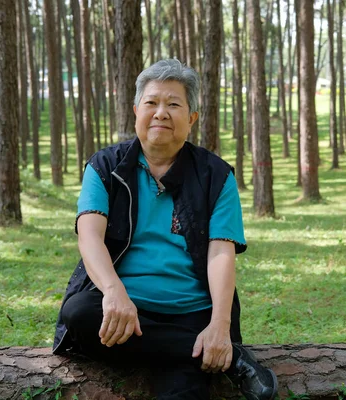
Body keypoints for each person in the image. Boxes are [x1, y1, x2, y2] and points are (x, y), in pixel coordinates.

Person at [52, 58, 278, 400]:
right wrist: (113, 292)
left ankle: (196, 347)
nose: (161, 113)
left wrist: (218, 326)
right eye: (152, 103)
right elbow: (90, 235)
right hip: (123, 312)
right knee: (79, 312)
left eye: (174, 104)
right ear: (136, 112)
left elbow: (221, 252)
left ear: (191, 118)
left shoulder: (216, 175)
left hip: (192, 313)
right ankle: (229, 361)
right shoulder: (105, 166)